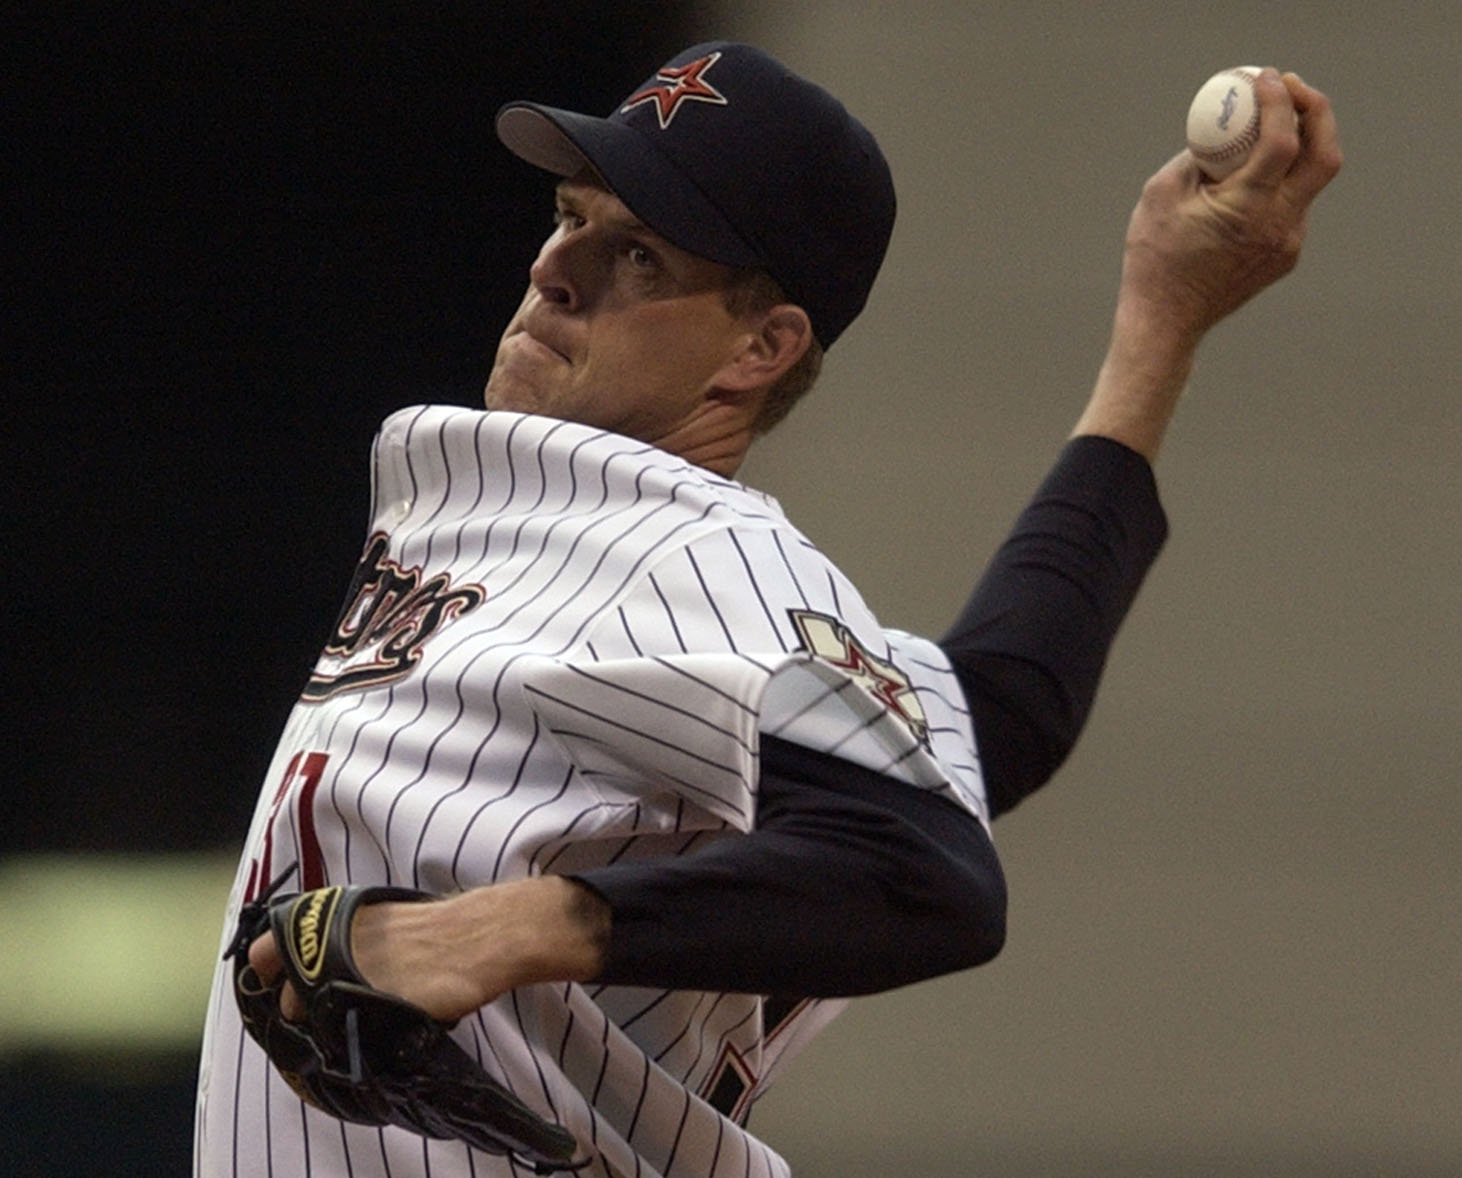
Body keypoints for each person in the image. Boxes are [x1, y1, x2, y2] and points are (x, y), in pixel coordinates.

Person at [193, 41, 1341, 1178]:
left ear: (760, 347)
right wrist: (1159, 322)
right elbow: (988, 725)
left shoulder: (682, 543)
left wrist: (488, 932)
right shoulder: (547, 521)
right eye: (570, 214)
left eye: (637, 254)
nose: (556, 267)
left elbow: (922, 863)